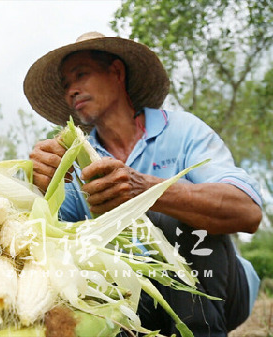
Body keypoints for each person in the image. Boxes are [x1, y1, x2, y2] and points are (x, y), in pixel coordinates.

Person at [24, 31, 263, 336]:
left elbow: (247, 211)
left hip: (216, 289)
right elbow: (53, 241)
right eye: (66, 84)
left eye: (81, 74)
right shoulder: (74, 160)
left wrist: (145, 190)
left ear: (116, 72)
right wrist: (43, 188)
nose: (72, 90)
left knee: (168, 218)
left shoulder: (183, 131)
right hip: (137, 302)